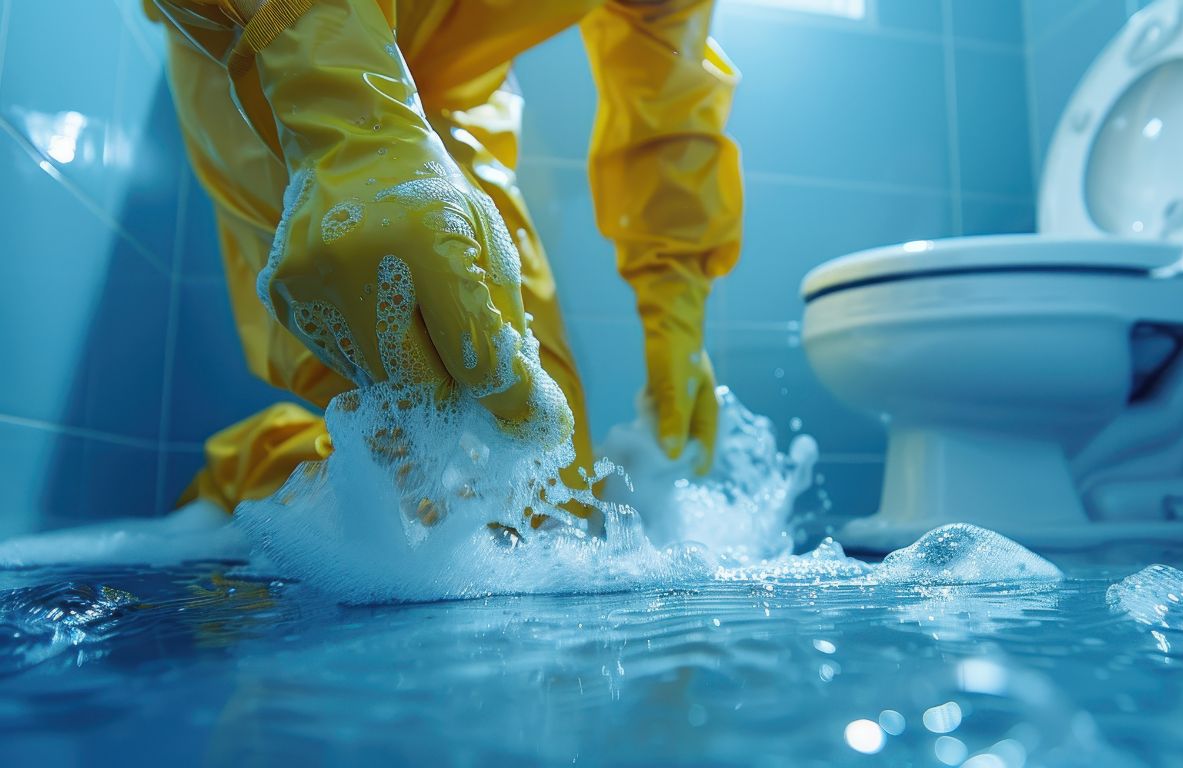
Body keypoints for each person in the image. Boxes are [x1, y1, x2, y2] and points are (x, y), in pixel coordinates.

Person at [145, 0, 743, 528]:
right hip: (274, 38)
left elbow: (669, 91)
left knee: (539, 502)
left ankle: (310, 483)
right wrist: (342, 123)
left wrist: (678, 316)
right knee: (408, 437)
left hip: (449, 92)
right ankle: (249, 476)